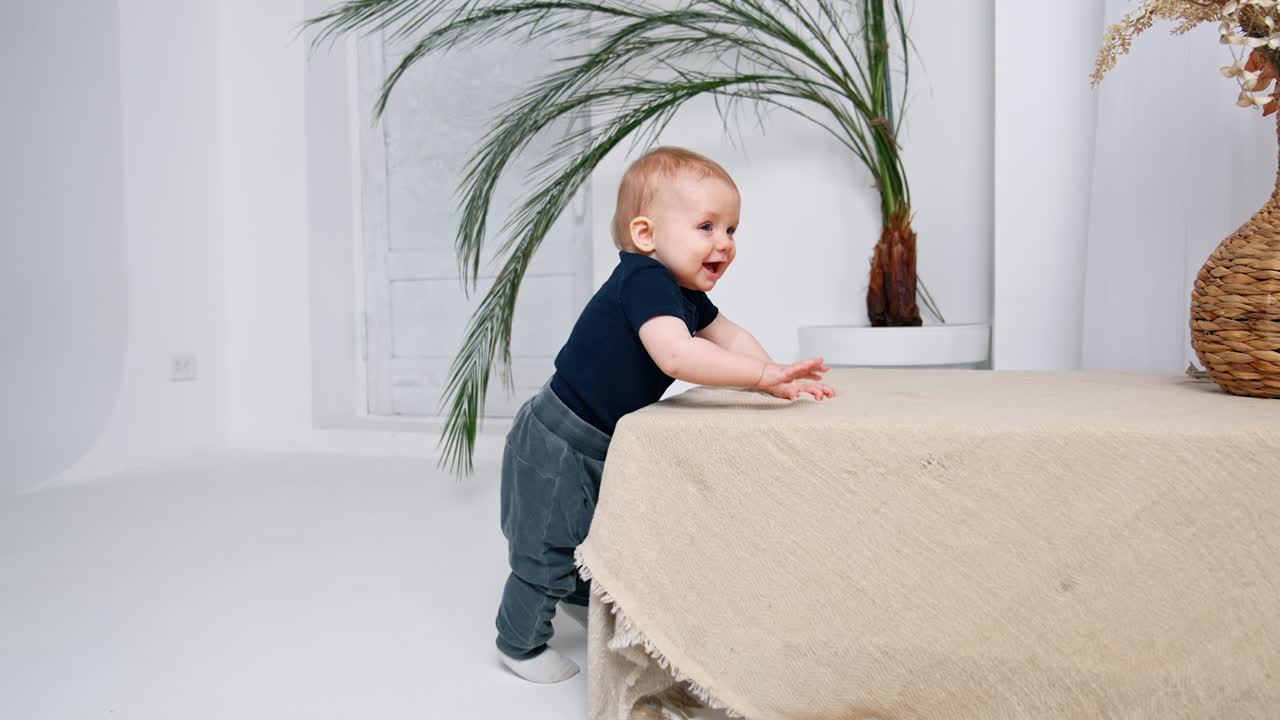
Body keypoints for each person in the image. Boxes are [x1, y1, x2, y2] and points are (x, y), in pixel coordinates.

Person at [495, 146, 836, 683]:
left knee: (595, 532)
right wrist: (761, 378)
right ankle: (519, 645)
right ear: (647, 235)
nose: (724, 242)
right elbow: (676, 355)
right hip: (557, 441)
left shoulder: (685, 294)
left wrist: (778, 377)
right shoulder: (644, 280)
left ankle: (580, 598)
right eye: (706, 226)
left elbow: (732, 337)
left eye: (731, 229)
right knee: (546, 545)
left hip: (600, 441)